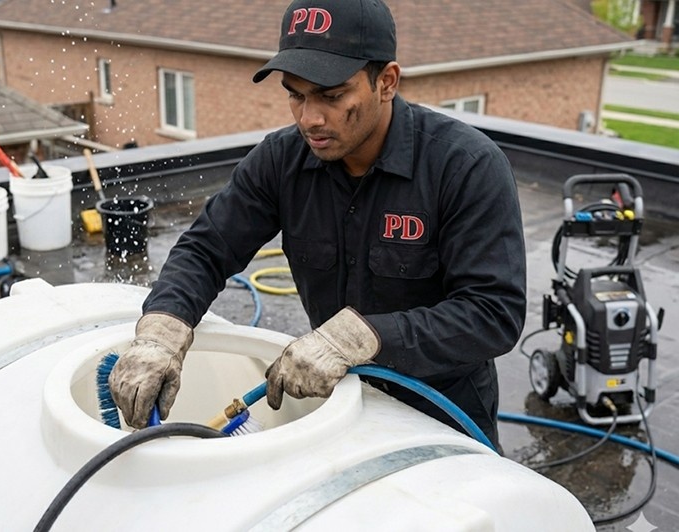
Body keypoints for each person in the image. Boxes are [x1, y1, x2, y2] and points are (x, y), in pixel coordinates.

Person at [109, 0, 526, 449]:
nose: (310, 118)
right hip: (337, 402)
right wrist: (161, 332)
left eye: (331, 95)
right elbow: (206, 249)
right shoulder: (281, 160)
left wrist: (361, 336)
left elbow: (493, 313)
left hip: (445, 411)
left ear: (386, 82)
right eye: (296, 94)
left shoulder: (465, 166)